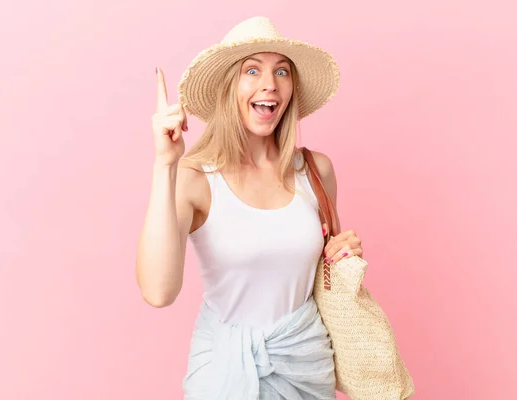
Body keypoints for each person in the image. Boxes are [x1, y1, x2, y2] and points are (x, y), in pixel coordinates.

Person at [135, 16, 364, 399]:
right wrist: (165, 165)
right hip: (223, 374)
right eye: (252, 70)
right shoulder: (195, 178)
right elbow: (158, 292)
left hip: (306, 368)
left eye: (282, 71)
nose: (269, 84)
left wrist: (344, 255)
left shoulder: (315, 170)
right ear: (229, 86)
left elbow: (323, 276)